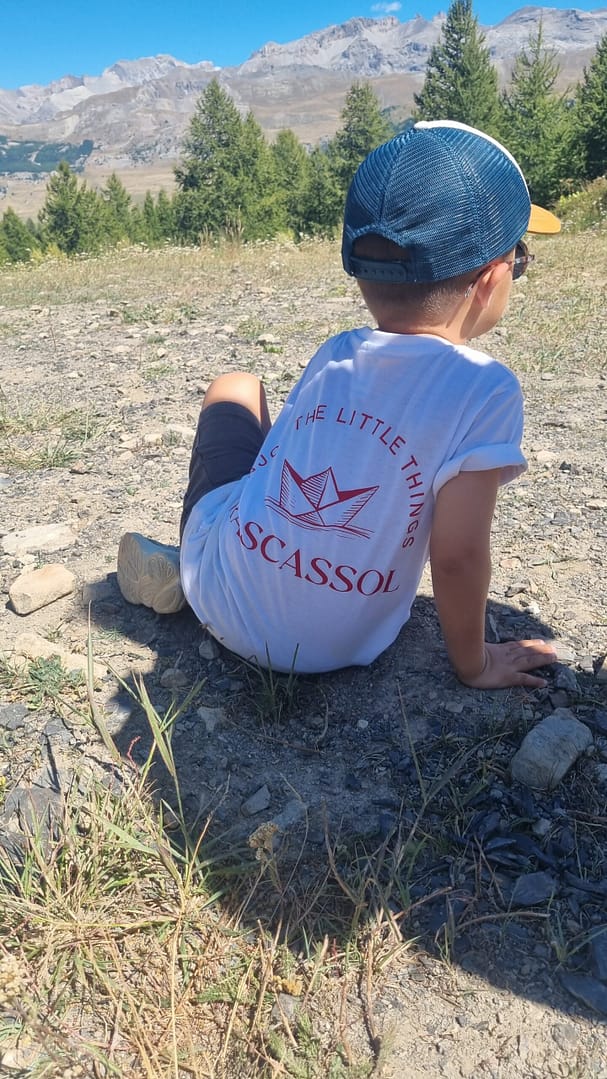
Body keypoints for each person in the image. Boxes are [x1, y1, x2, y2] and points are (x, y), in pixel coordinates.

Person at [117, 119, 561, 689]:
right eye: (520, 260)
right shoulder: (486, 389)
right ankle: (199, 565)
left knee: (236, 386)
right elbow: (457, 555)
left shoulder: (336, 351)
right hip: (341, 648)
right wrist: (474, 664)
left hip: (221, 600)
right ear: (492, 279)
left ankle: (190, 563)